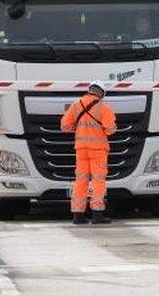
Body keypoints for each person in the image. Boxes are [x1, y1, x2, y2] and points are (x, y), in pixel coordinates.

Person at [60, 81, 117, 224]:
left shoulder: (76, 105)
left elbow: (65, 126)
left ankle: (78, 215)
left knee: (81, 181)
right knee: (98, 181)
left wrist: (78, 129)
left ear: (90, 90)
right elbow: (110, 129)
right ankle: (97, 214)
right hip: (98, 150)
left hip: (81, 149)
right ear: (101, 93)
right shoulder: (104, 108)